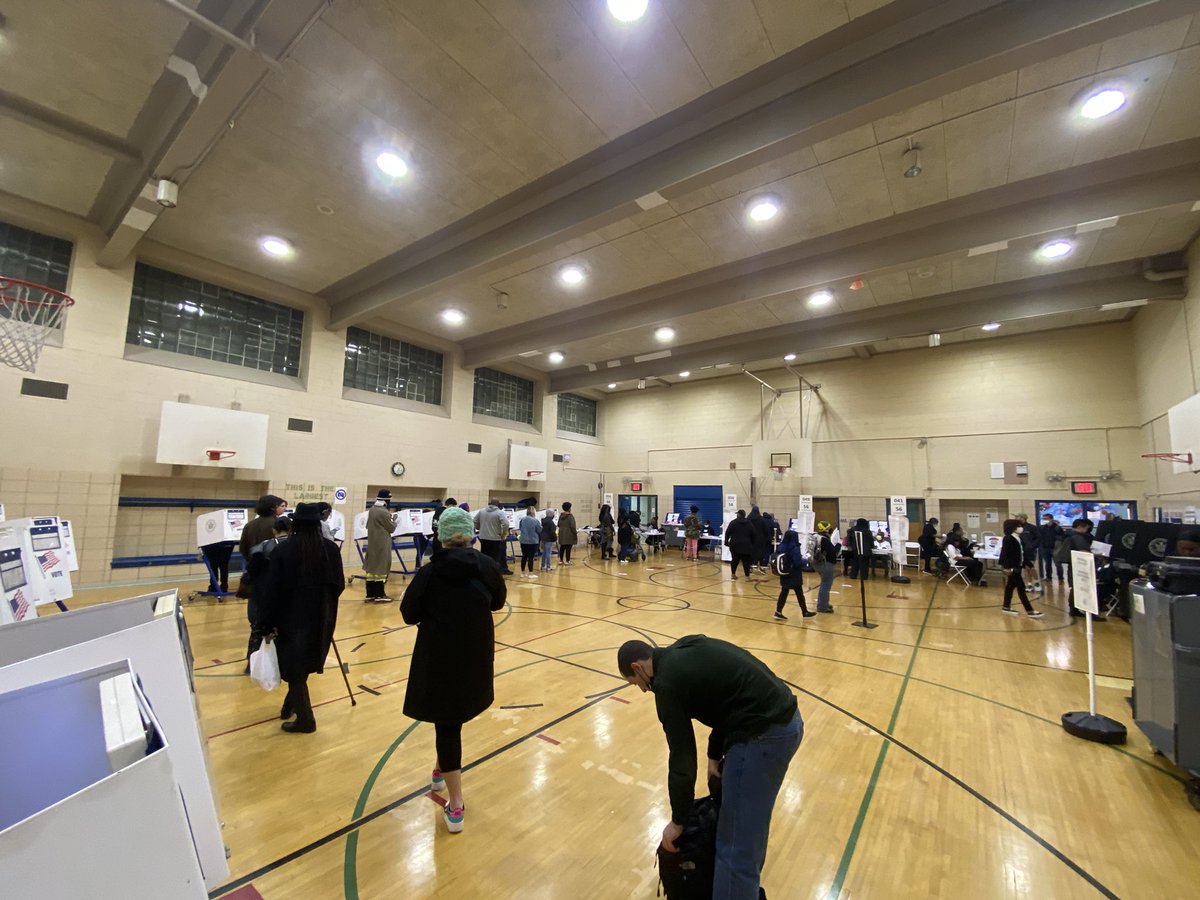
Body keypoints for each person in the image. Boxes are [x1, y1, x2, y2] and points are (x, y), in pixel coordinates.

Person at [616, 636, 803, 899]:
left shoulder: (667, 684)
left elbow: (682, 760)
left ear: (637, 667)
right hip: (784, 720)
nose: (643, 690)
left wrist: (679, 821)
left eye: (636, 683)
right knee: (747, 832)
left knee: (735, 847)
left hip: (763, 735)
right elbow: (727, 696)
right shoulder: (684, 647)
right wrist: (714, 754)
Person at [402, 507, 507, 833]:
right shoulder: (487, 566)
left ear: (441, 536)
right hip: (474, 653)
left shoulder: (430, 572)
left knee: (447, 724)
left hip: (439, 655)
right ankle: (440, 769)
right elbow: (498, 602)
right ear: (471, 535)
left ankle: (456, 804)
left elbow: (408, 613)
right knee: (453, 719)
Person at [257, 503, 345, 733]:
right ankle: (290, 705)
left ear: (294, 524)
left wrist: (265, 623)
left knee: (294, 667)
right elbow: (339, 584)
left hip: (291, 617)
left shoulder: (284, 550)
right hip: (323, 616)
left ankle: (306, 720)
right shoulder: (330, 549)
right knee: (302, 663)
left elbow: (272, 591)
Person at [244, 516, 290, 672]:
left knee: (257, 628)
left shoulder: (263, 546)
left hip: (261, 593)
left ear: (274, 530)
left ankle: (252, 664)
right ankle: (281, 664)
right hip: (284, 594)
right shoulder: (294, 546)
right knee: (283, 630)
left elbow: (251, 569)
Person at [236, 494, 285, 597]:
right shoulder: (278, 524)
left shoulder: (249, 525)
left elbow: (243, 548)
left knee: (254, 600)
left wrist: (252, 560)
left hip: (254, 569)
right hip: (273, 572)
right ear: (273, 508)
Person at [1000, 519, 1042, 618]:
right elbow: (1005, 553)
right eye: (1018, 526)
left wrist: (1029, 564)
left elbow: (1022, 553)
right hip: (1013, 567)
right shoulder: (1008, 538)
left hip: (1018, 566)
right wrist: (1006, 567)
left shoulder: (1019, 538)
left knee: (1010, 587)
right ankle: (1030, 610)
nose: (1021, 528)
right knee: (1021, 588)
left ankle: (1006, 606)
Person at [773, 530, 815, 621]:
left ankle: (778, 611)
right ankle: (805, 612)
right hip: (794, 573)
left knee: (784, 592)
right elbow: (797, 562)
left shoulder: (781, 546)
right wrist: (806, 561)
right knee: (799, 593)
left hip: (784, 572)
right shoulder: (794, 547)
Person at [365, 489, 397, 602]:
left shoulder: (372, 510)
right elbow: (391, 528)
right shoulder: (384, 512)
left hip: (372, 543)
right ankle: (379, 595)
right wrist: (394, 521)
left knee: (371, 570)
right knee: (381, 570)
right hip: (382, 544)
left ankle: (370, 594)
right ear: (387, 500)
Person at [1064, 518, 1095, 618]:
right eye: (1086, 528)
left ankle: (1073, 609)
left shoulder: (1068, 534)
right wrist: (1096, 554)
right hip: (1081, 565)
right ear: (1081, 527)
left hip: (1072, 564)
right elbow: (1084, 551)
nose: (1087, 531)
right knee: (1083, 587)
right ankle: (1089, 611)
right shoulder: (1078, 537)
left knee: (1075, 587)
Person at [474, 500, 513, 575]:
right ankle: (494, 574)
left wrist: (480, 528)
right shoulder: (499, 512)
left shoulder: (482, 511)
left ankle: (484, 573)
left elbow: (474, 521)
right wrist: (503, 534)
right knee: (495, 558)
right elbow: (506, 524)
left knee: (484, 556)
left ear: (490, 504)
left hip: (483, 538)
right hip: (495, 539)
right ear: (497, 505)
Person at [812, 522, 837, 613]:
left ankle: (824, 603)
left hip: (817, 563)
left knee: (824, 583)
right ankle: (822, 606)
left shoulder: (815, 537)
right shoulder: (825, 540)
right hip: (826, 563)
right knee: (826, 584)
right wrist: (838, 545)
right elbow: (832, 552)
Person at [724, 509, 755, 580]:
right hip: (746, 545)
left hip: (734, 544)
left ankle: (733, 574)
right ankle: (747, 576)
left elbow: (727, 533)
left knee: (734, 560)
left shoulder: (733, 522)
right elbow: (753, 534)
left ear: (739, 515)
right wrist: (752, 543)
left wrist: (726, 542)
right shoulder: (749, 523)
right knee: (746, 561)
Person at [1015, 513, 1040, 593]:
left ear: (1023, 518)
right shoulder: (1017, 528)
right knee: (1025, 568)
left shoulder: (1031, 527)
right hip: (1021, 551)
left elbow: (1038, 538)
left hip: (1030, 551)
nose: (1016, 518)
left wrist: (1032, 546)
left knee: (1030, 567)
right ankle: (1029, 584)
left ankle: (1036, 582)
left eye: (1017, 517)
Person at [1037, 513, 1064, 582]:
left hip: (1055, 548)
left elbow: (1062, 537)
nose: (1045, 520)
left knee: (1058, 564)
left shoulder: (1057, 528)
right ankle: (1048, 577)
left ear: (1051, 519)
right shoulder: (1042, 528)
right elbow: (1040, 537)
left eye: (1046, 519)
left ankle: (1060, 578)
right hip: (1045, 547)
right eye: (1044, 519)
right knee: (1047, 563)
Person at [517, 506, 541, 578]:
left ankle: (522, 573)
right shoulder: (535, 521)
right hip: (532, 541)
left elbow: (520, 528)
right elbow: (539, 530)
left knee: (524, 556)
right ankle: (531, 573)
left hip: (523, 541)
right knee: (531, 557)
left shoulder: (522, 520)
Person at [747, 505, 770, 574]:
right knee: (761, 554)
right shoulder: (762, 519)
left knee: (751, 554)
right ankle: (761, 567)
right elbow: (766, 530)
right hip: (760, 539)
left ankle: (750, 567)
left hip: (751, 539)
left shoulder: (748, 518)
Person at [540, 507, 558, 573]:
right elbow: (552, 532)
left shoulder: (543, 521)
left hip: (543, 538)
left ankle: (543, 566)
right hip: (548, 539)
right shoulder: (551, 523)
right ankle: (548, 567)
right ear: (552, 514)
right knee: (548, 553)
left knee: (544, 552)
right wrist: (555, 539)